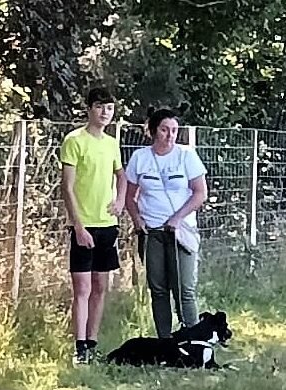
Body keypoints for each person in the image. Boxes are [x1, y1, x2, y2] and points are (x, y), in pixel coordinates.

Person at [125, 107, 208, 337]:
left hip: (180, 231)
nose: (170, 135)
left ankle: (194, 338)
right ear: (153, 131)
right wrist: (136, 219)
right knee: (158, 288)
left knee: (184, 287)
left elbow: (200, 192)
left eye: (174, 130)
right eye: (164, 130)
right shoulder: (140, 158)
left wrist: (178, 217)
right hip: (152, 231)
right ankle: (164, 340)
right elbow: (129, 196)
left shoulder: (186, 155)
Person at [60, 87, 127, 364]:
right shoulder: (74, 140)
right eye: (100, 107)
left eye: (109, 108)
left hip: (107, 224)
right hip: (83, 224)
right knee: (83, 289)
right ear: (90, 108)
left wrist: (120, 201)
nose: (104, 113)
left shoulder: (112, 143)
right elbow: (67, 186)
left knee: (101, 286)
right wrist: (78, 225)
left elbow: (122, 175)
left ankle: (92, 342)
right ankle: (79, 348)